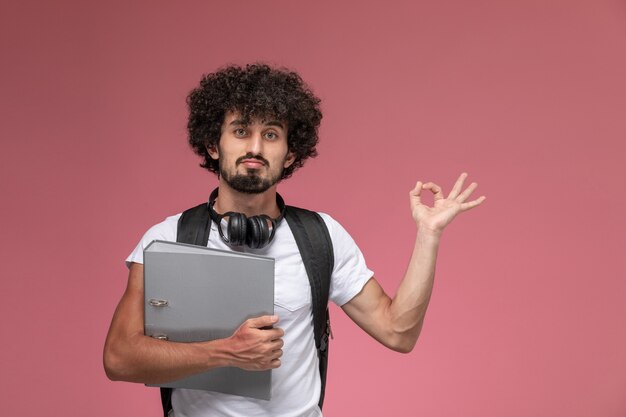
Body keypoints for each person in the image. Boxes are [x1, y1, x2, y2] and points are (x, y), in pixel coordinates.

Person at [103, 63, 485, 417]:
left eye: (271, 134)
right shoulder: (168, 238)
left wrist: (428, 234)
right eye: (241, 131)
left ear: (289, 154)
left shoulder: (322, 237)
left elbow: (398, 333)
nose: (255, 147)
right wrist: (226, 352)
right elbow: (119, 358)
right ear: (213, 145)